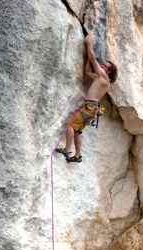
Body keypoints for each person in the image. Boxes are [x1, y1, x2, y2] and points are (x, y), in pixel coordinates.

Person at [56, 35, 118, 163]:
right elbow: (88, 71)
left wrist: (89, 44)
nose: (102, 66)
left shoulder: (104, 78)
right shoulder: (100, 79)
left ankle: (67, 149)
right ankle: (78, 156)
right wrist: (89, 59)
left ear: (109, 72)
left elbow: (93, 59)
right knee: (77, 130)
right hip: (90, 108)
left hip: (89, 107)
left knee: (70, 125)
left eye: (105, 66)